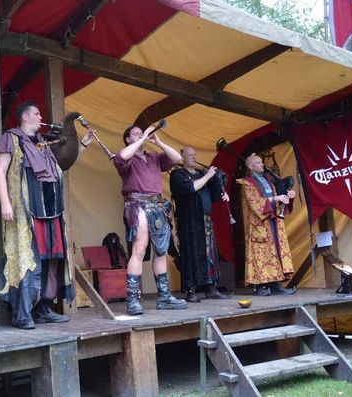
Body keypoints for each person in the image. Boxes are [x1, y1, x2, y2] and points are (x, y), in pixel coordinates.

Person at [0, 101, 94, 329]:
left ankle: (44, 309)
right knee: (28, 258)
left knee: (51, 257)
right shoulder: (11, 139)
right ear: (25, 117)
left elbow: (62, 166)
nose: (41, 117)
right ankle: (23, 313)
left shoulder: (44, 143)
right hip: (25, 211)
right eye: (37, 113)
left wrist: (84, 145)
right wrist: (5, 203)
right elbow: (0, 170)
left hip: (51, 211)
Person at [114, 125, 187, 315]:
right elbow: (121, 157)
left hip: (158, 206)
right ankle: (133, 299)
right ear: (128, 139)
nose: (141, 135)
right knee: (139, 249)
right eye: (136, 134)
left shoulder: (154, 157)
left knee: (161, 251)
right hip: (138, 204)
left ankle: (163, 296)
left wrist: (158, 141)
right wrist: (143, 137)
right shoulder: (126, 158)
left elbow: (178, 159)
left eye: (142, 132)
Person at [170, 147, 230, 302]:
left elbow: (213, 194)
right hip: (188, 221)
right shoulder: (177, 174)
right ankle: (191, 290)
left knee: (209, 254)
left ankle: (211, 288)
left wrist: (221, 186)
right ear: (182, 157)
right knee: (191, 254)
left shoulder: (202, 174)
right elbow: (190, 188)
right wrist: (208, 175)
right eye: (189, 155)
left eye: (195, 155)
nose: (193, 157)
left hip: (205, 220)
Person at [237, 155, 296, 296]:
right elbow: (254, 202)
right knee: (259, 254)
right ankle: (259, 286)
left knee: (276, 251)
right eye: (258, 163)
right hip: (259, 223)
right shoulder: (247, 183)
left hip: (274, 222)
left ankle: (276, 284)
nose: (262, 165)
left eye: (262, 162)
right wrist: (275, 198)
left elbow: (278, 201)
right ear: (250, 166)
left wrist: (288, 196)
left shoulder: (269, 181)